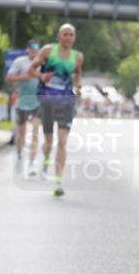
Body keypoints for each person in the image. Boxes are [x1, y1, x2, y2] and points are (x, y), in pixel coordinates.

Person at [28, 24, 83, 198]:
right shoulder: (48, 51)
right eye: (65, 34)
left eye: (71, 34)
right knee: (49, 141)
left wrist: (77, 88)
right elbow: (31, 69)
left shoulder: (77, 56)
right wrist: (41, 76)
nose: (68, 37)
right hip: (47, 101)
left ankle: (58, 181)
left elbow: (77, 76)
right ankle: (45, 161)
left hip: (66, 102)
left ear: (74, 37)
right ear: (59, 36)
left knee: (62, 141)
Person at [6, 39, 42, 176]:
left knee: (35, 132)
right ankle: (19, 154)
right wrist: (25, 76)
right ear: (27, 49)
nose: (34, 50)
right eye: (32, 47)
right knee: (21, 133)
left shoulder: (43, 63)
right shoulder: (20, 62)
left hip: (38, 102)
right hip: (22, 101)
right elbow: (9, 78)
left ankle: (31, 163)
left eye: (37, 47)